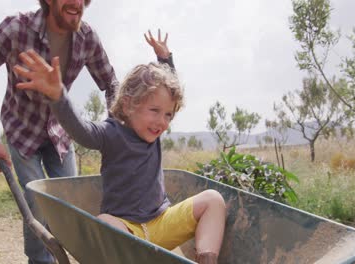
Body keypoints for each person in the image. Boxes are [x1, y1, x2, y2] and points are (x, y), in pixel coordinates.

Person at [13, 33, 227, 264]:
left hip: (162, 222)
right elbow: (81, 131)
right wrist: (58, 97)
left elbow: (169, 92)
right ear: (128, 104)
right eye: (154, 111)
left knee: (213, 199)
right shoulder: (110, 133)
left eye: (168, 115)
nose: (162, 122)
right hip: (126, 232)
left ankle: (207, 260)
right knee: (104, 221)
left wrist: (166, 59)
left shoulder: (152, 134)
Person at [0, 1, 119, 263]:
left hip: (60, 133)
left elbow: (111, 82)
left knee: (67, 205)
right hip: (23, 130)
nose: (76, 2)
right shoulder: (17, 29)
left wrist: (115, 129)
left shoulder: (87, 38)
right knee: (37, 204)